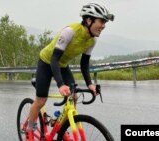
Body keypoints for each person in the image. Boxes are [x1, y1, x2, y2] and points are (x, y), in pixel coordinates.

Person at [25, 3, 114, 141]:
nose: (104, 26)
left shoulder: (92, 41)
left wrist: (90, 84)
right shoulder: (70, 31)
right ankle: (29, 130)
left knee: (74, 96)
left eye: (105, 22)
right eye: (101, 21)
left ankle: (62, 126)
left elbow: (84, 64)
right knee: (41, 100)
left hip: (62, 64)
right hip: (47, 61)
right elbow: (54, 59)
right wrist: (61, 84)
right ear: (89, 20)